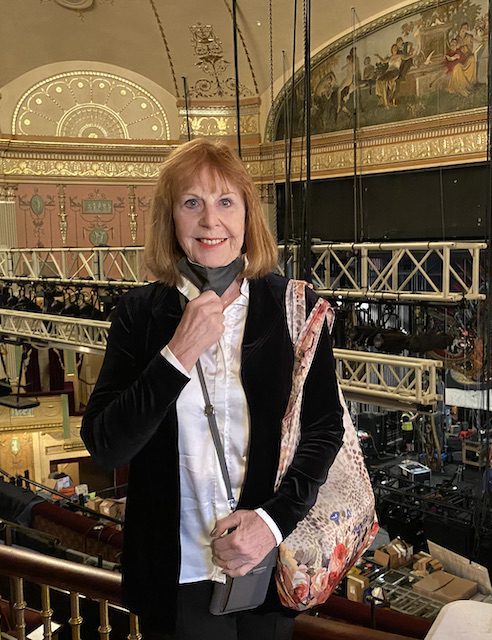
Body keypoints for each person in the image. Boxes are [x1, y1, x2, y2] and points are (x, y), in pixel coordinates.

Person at [82, 139, 345, 640]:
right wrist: (177, 354)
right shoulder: (140, 316)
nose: (210, 221)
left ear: (247, 214)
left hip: (266, 565)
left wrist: (269, 524)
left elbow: (323, 428)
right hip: (177, 573)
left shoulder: (293, 307)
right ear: (171, 219)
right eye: (191, 203)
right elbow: (106, 444)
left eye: (226, 201)